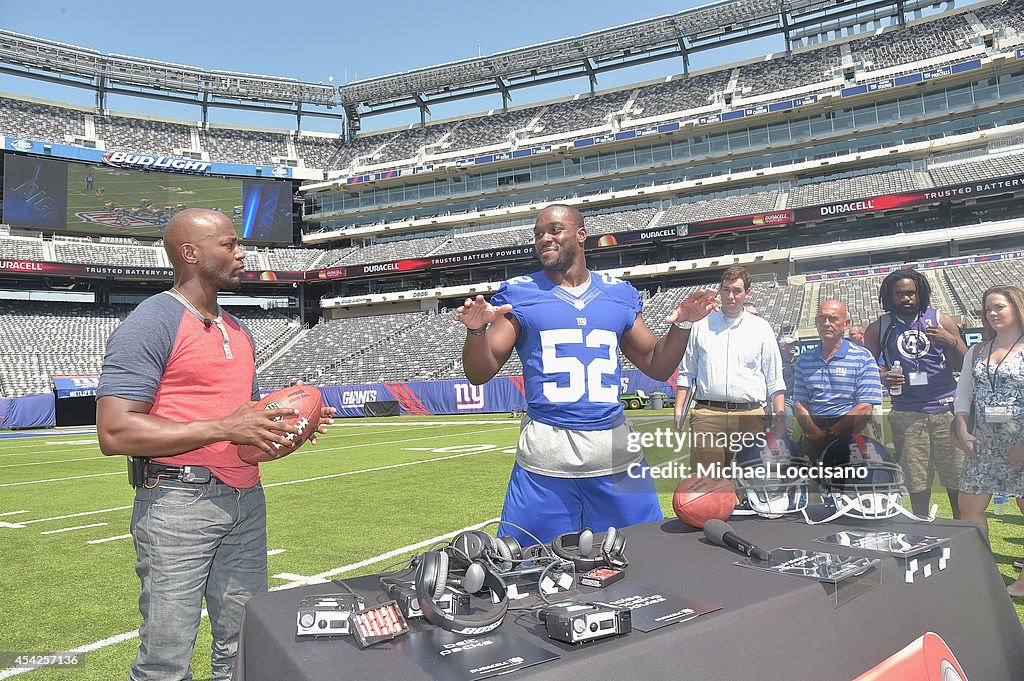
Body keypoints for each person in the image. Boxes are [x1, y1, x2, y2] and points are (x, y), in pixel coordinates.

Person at [96, 208, 332, 681]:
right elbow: (115, 431)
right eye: (229, 244)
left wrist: (286, 426)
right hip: (178, 503)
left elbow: (244, 430)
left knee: (244, 647)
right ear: (190, 253)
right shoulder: (153, 320)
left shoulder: (238, 329)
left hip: (246, 499)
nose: (242, 253)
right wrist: (226, 426)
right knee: (166, 657)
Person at [456, 204, 716, 545]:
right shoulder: (519, 293)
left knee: (648, 551)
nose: (544, 239)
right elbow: (481, 372)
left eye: (553, 230)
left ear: (581, 235)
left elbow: (657, 364)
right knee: (526, 564)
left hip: (615, 455)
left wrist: (682, 324)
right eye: (538, 234)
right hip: (546, 460)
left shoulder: (619, 294)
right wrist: (475, 332)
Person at [865, 269, 966, 519]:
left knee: (955, 476)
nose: (906, 298)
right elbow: (866, 367)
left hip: (946, 411)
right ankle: (922, 530)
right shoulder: (880, 327)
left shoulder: (942, 320)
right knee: (916, 478)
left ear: (920, 293)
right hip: (906, 413)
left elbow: (965, 364)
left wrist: (950, 341)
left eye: (911, 292)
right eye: (899, 294)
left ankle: (961, 530)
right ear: (890, 297)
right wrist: (883, 376)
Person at [675, 266, 786, 469]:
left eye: (737, 290)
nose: (731, 296)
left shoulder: (761, 328)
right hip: (708, 413)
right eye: (726, 290)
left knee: (750, 480)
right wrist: (679, 409)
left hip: (749, 414)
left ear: (747, 293)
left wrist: (779, 417)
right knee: (708, 483)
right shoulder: (701, 325)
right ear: (719, 290)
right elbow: (686, 372)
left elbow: (775, 378)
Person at [953, 285, 1024, 596]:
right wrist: (962, 428)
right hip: (984, 440)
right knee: (968, 503)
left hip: (1020, 441)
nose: (992, 313)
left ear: (1017, 307)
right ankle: (985, 572)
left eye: (999, 307)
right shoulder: (977, 351)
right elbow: (964, 393)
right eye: (987, 309)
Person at [794, 300, 882, 463]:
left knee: (858, 485)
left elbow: (864, 407)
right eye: (822, 318)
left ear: (846, 324)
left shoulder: (863, 357)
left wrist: (830, 434)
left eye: (833, 319)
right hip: (815, 433)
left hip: (854, 433)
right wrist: (817, 434)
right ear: (816, 322)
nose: (826, 324)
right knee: (812, 485)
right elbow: (800, 404)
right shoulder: (804, 360)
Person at [779, 335, 798, 438]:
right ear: (783, 347)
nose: (793, 346)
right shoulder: (778, 364)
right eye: (790, 344)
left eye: (794, 344)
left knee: (808, 427)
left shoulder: (798, 361)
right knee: (789, 430)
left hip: (800, 399)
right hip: (785, 399)